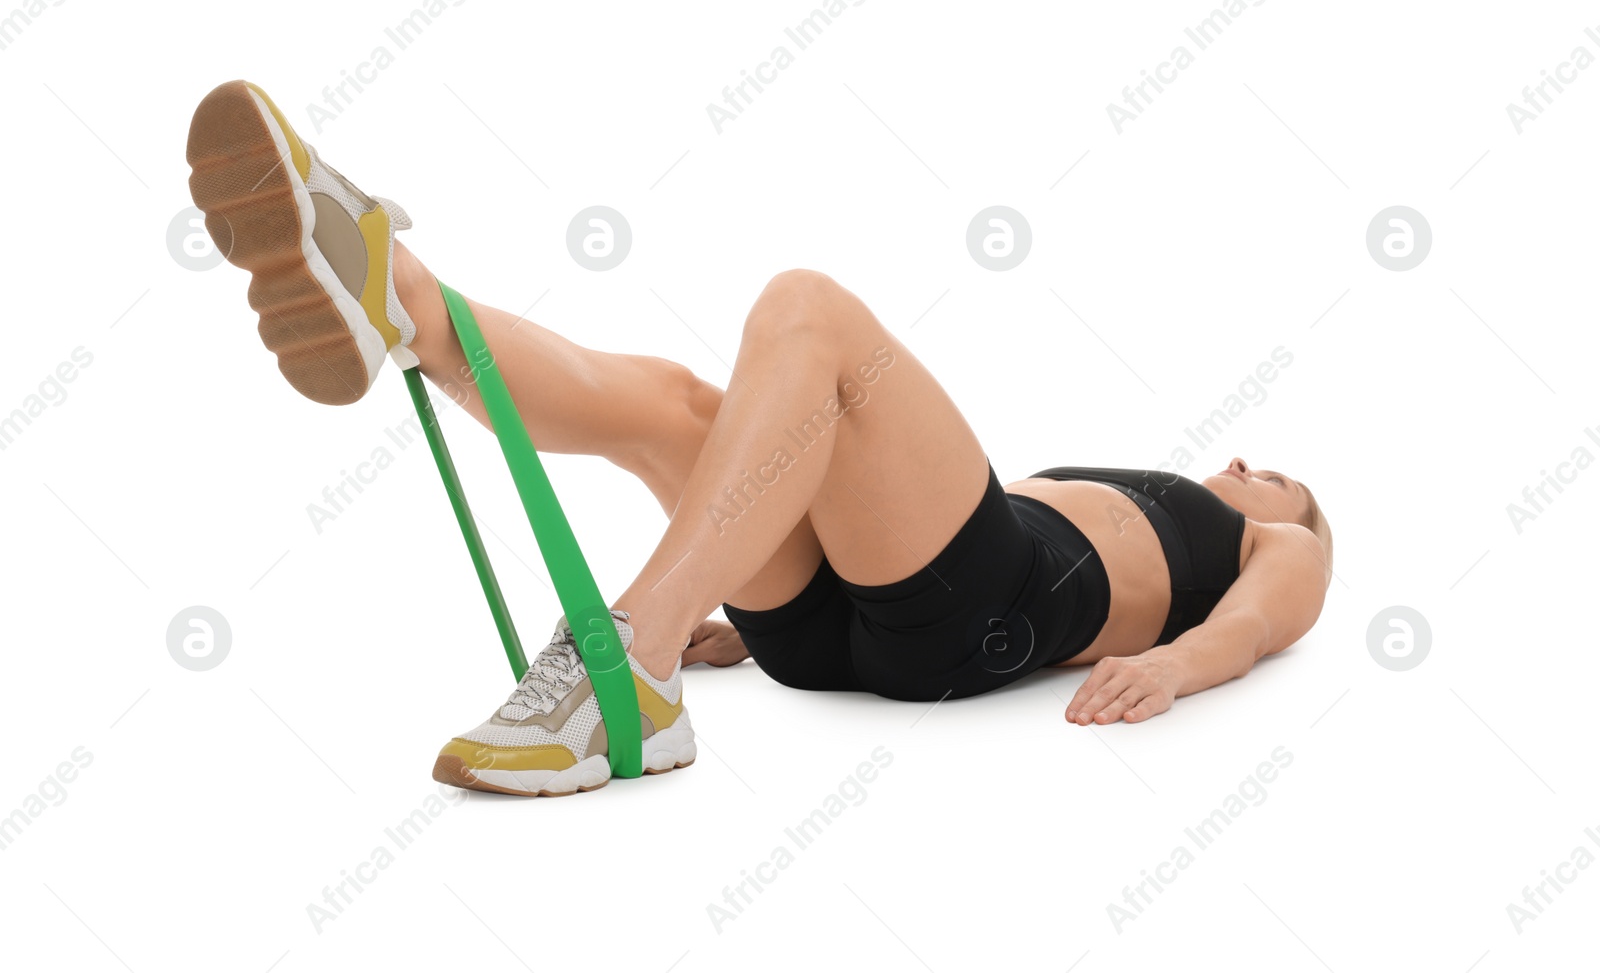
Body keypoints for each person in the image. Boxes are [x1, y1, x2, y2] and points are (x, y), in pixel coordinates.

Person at [186, 80, 1334, 797]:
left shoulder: (1270, 546)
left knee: (810, 310)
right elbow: (871, 500)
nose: (1242, 465)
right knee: (692, 408)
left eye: (1273, 475)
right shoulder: (1148, 491)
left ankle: (625, 649)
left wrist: (1176, 667)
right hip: (850, 626)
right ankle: (411, 298)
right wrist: (739, 606)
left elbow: (1260, 616)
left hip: (995, 607)